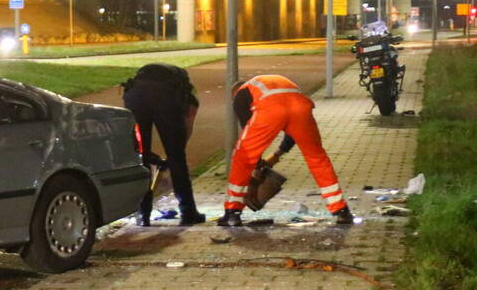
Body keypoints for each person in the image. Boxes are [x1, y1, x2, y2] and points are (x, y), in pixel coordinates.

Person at [219, 75, 353, 227]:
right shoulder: (268, 84)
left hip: (270, 108)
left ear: (234, 94)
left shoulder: (240, 96)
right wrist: (277, 155)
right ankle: (341, 210)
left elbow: (250, 141)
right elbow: (292, 133)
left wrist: (256, 167)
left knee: (242, 155)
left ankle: (232, 212)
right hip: (301, 106)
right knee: (317, 157)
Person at [122, 63, 206, 226]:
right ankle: (188, 212)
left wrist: (148, 154)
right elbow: (188, 123)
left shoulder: (140, 81)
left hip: (134, 96)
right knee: (177, 158)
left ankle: (142, 214)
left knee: (140, 156)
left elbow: (135, 139)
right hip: (165, 98)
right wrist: (176, 148)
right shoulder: (185, 91)